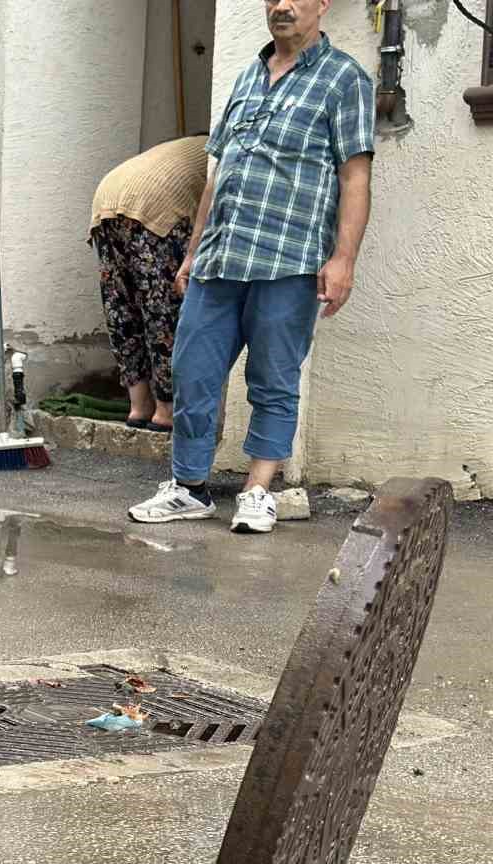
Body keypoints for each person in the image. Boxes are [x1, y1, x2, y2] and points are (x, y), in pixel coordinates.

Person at [129, 0, 373, 534]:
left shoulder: (344, 79)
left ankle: (258, 490)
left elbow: (354, 176)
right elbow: (217, 175)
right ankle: (189, 488)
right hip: (221, 256)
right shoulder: (245, 76)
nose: (281, 6)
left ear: (321, 5)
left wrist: (343, 260)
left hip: (289, 259)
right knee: (192, 373)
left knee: (273, 380)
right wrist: (194, 251)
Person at [89, 135, 209, 433]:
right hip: (153, 204)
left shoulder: (175, 149)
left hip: (106, 199)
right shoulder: (212, 151)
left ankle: (139, 406)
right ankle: (166, 411)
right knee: (162, 311)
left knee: (122, 307)